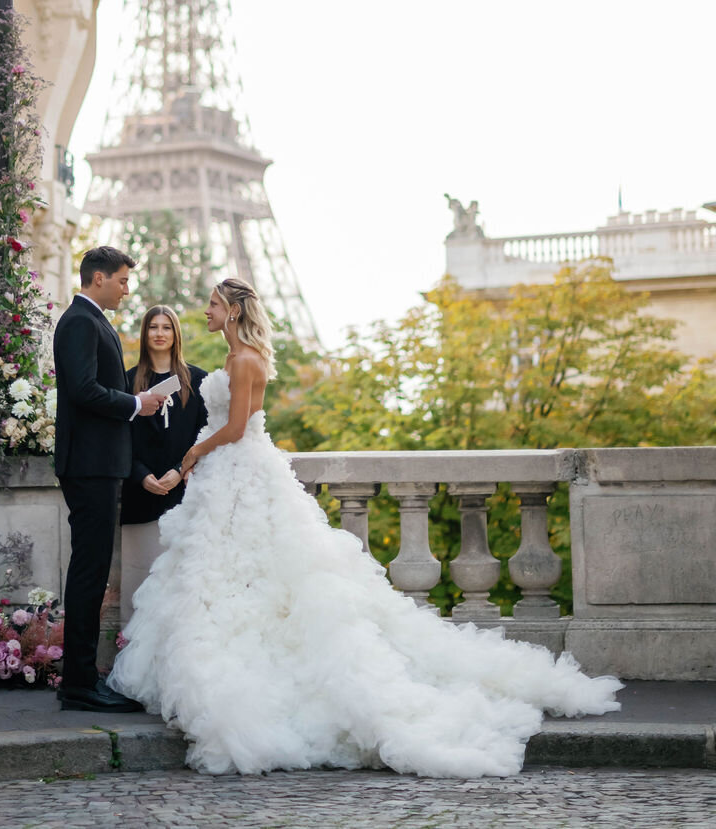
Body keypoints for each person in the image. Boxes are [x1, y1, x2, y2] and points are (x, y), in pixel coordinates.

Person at [108, 276, 622, 777]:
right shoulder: (231, 357)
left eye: (214, 304)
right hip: (233, 473)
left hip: (238, 469)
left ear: (234, 311)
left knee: (242, 568)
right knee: (233, 573)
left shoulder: (242, 359)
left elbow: (238, 427)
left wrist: (195, 451)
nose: (207, 311)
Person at [52, 245, 169, 712]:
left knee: (93, 570)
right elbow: (81, 390)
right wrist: (136, 404)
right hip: (90, 465)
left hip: (98, 463)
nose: (127, 288)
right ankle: (78, 684)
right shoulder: (80, 321)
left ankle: (80, 679)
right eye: (122, 280)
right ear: (97, 278)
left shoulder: (91, 320)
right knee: (88, 572)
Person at [120, 305, 208, 618]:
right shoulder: (127, 381)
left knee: (183, 586)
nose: (159, 333)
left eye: (166, 327)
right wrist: (142, 475)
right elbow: (120, 438)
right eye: (153, 327)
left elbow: (204, 435)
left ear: (176, 334)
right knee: (142, 581)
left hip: (184, 494)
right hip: (140, 494)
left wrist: (179, 469)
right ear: (144, 334)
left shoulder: (198, 381)